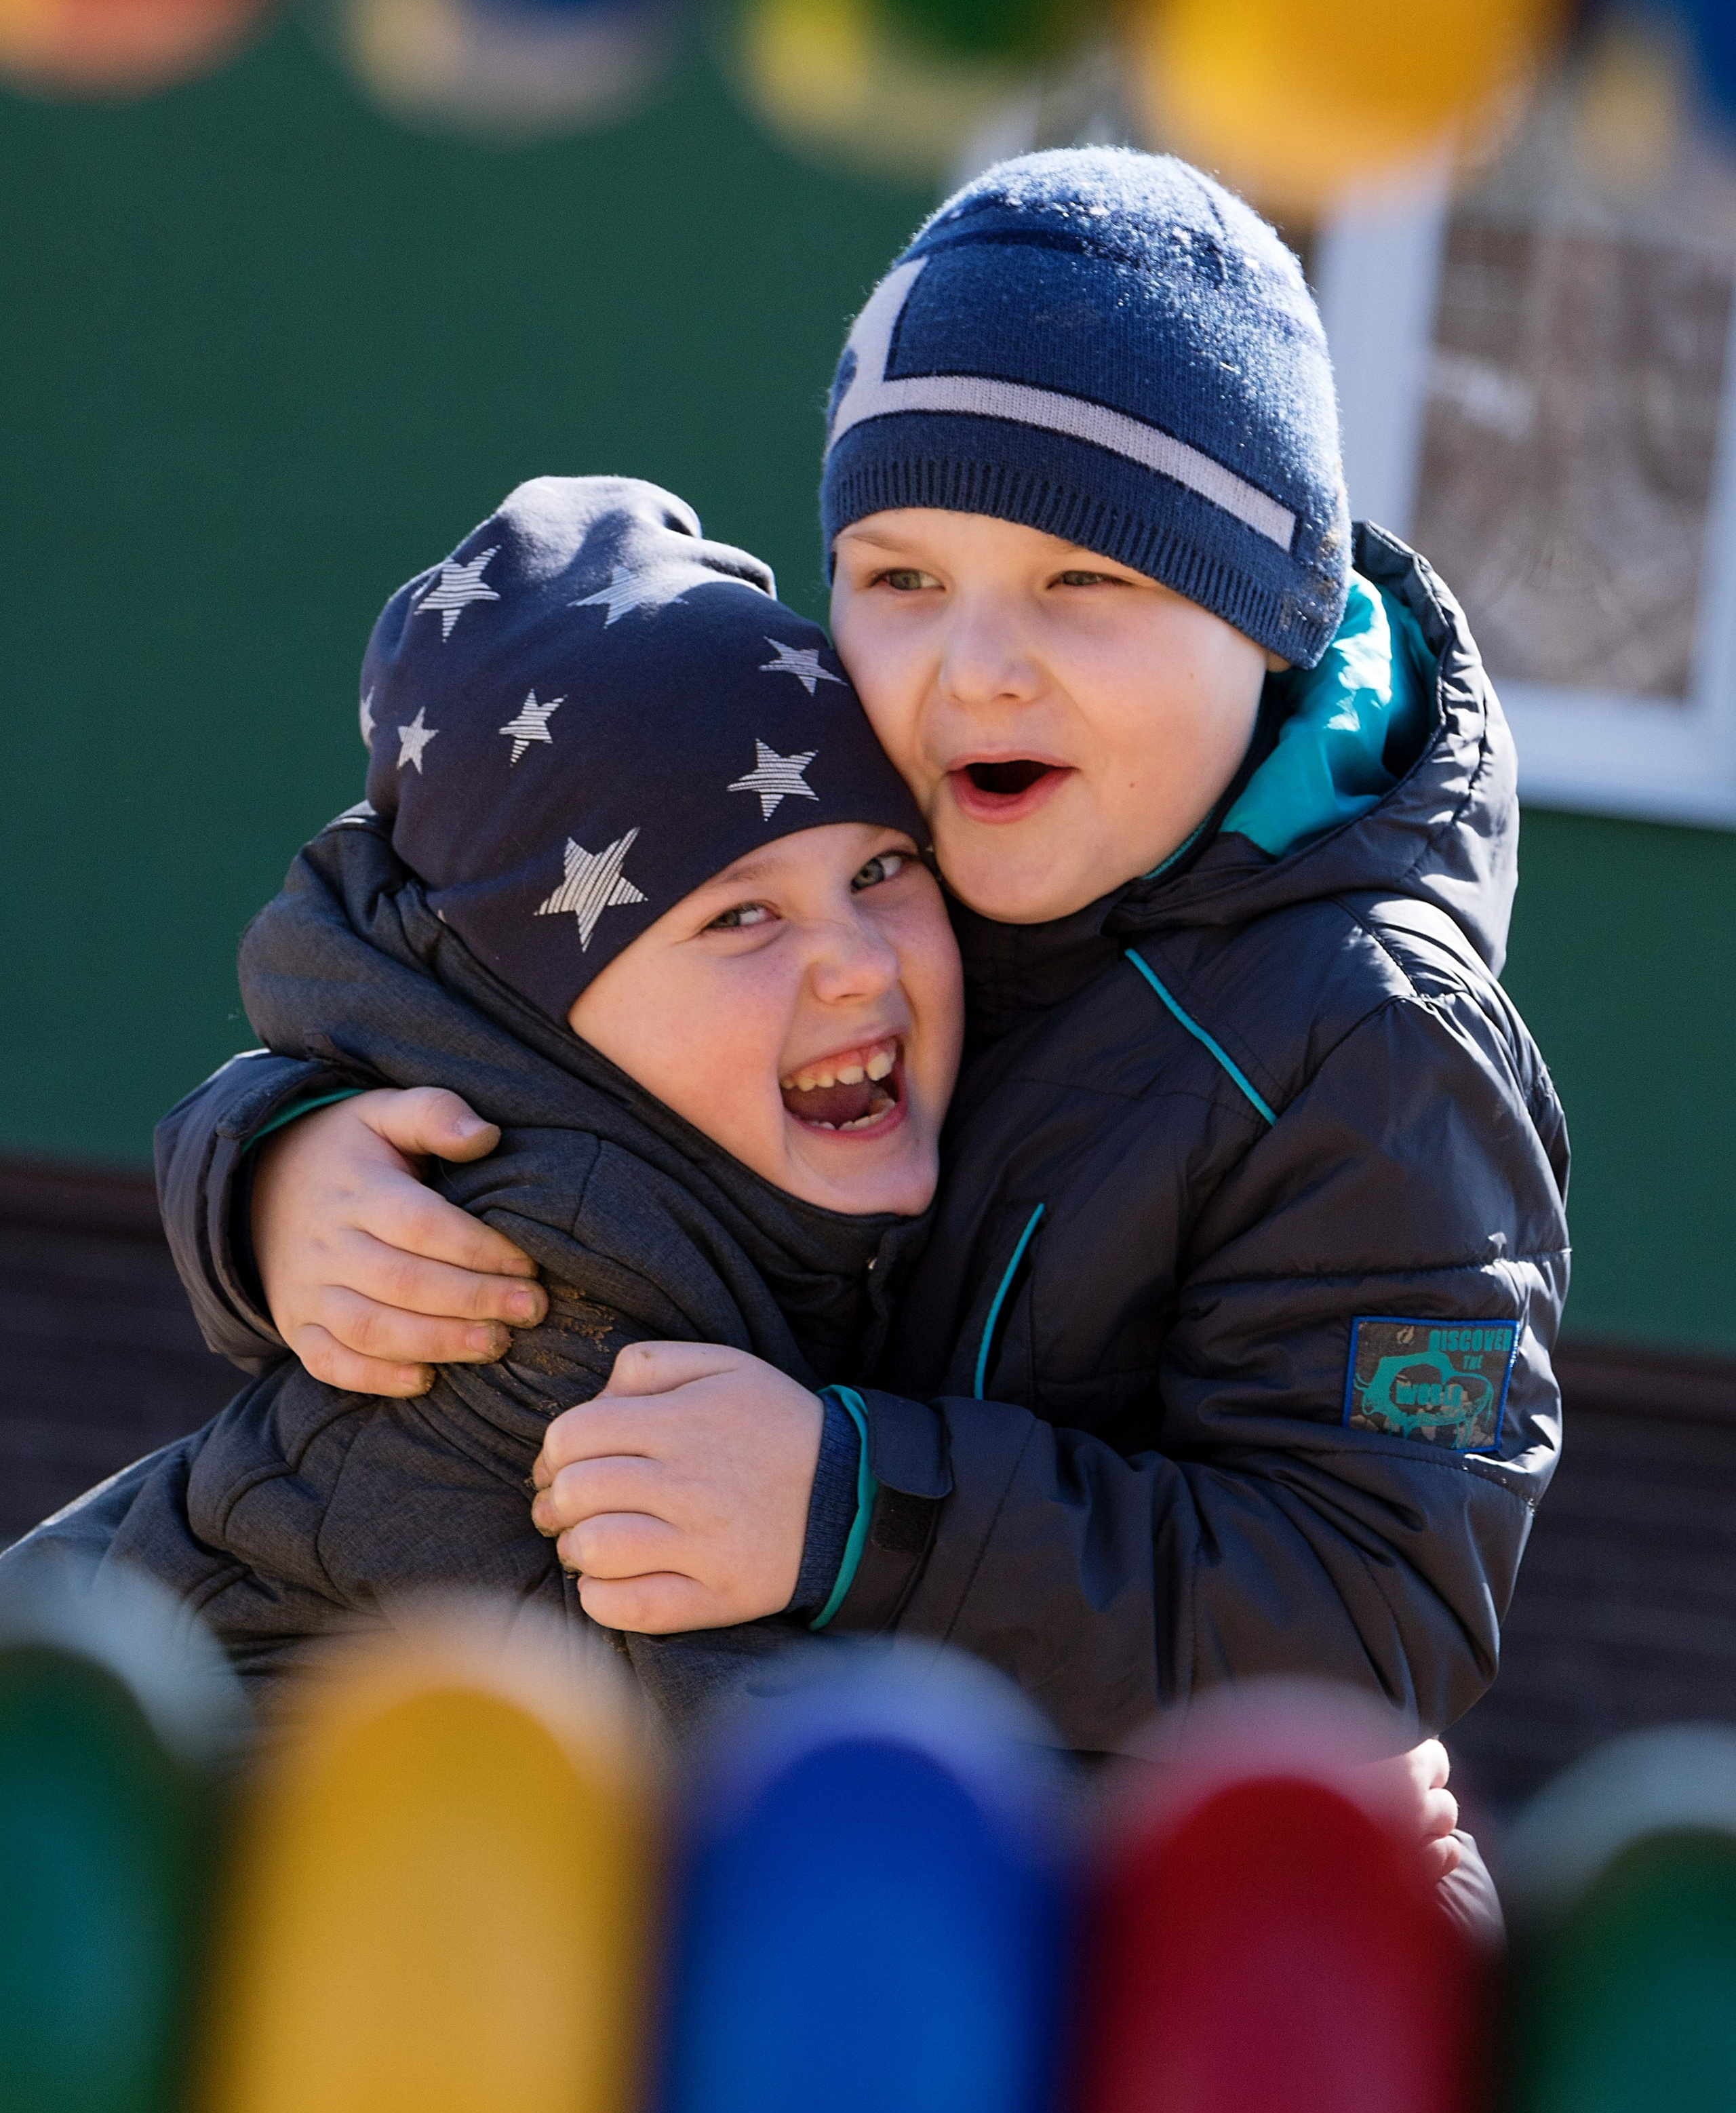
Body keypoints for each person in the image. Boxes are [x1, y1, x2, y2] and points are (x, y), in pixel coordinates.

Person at [150, 153, 1564, 1866]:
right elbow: (476, 1007)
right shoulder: (887, 848)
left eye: (1082, 583)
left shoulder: (1374, 1048)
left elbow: (1370, 1601)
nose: (972, 666)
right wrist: (273, 1177)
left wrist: (851, 1510)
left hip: (1138, 1979)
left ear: (1268, 616)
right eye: (901, 580)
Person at [0, 476, 960, 1733]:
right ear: (541, 1009)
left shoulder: (733, 1181)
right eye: (740, 915)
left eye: (883, 869)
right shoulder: (534, 1288)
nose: (861, 961)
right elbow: (693, 1770)